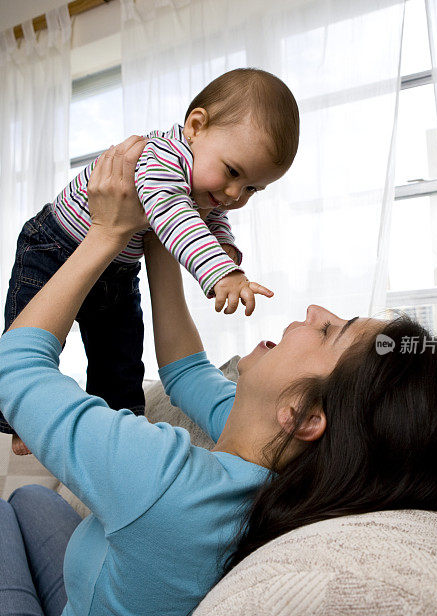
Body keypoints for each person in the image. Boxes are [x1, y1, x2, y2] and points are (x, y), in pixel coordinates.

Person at [0, 139, 437, 616]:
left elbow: (17, 370)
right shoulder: (287, 467)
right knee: (29, 502)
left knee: (5, 513)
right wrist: (159, 240)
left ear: (304, 414)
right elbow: (185, 372)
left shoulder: (166, 485)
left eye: (329, 330)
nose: (312, 310)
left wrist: (104, 236)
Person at [1, 67, 299, 455]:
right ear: (195, 126)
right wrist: (220, 271)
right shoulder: (162, 156)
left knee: (122, 358)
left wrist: (226, 253)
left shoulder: (205, 188)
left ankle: (123, 428)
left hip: (119, 272)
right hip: (54, 246)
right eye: (232, 172)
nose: (233, 193)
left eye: (251, 189)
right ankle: (21, 416)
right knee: (30, 334)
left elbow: (209, 220)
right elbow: (174, 214)